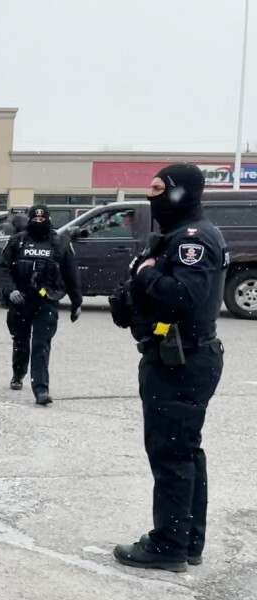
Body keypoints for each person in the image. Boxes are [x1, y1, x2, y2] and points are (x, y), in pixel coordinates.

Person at [110, 164, 226, 572]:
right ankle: (186, 540)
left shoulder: (191, 239)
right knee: (184, 451)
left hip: (181, 360)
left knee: (172, 453)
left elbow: (185, 295)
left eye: (159, 189)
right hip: (180, 355)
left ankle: (169, 545)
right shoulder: (178, 235)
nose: (151, 196)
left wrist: (146, 275)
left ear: (182, 192)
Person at [0, 204, 82, 405]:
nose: (39, 222)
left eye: (43, 220)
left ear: (49, 220)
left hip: (47, 300)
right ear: (30, 220)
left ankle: (41, 390)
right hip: (21, 300)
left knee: (41, 345)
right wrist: (10, 290)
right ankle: (18, 374)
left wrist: (77, 301)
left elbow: (71, 274)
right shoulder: (17, 241)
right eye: (35, 219)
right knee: (21, 341)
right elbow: (3, 268)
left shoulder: (60, 242)